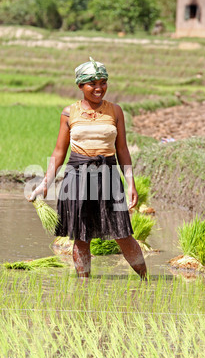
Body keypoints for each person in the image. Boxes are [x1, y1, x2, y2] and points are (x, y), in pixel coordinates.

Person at [29, 58, 148, 281]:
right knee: (81, 236)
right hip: (77, 177)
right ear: (80, 86)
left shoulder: (115, 111)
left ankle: (146, 281)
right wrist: (45, 183)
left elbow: (122, 150)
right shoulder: (69, 113)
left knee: (123, 234)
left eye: (103, 82)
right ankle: (84, 286)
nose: (99, 88)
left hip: (109, 176)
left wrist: (130, 183)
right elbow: (58, 152)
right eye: (92, 83)